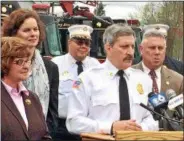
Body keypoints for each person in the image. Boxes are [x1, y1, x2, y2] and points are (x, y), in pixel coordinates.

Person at [66, 24, 158, 135]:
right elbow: (73, 122)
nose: (130, 52)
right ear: (108, 48)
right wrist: (110, 127)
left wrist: (140, 128)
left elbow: (150, 118)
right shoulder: (87, 79)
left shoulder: (143, 80)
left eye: (132, 47)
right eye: (124, 46)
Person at [1, 9, 59, 138]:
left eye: (35, 29)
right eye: (27, 30)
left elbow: (52, 113)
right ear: (13, 33)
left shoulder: (51, 67)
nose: (33, 34)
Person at [52, 24, 100, 140]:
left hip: (89, 126)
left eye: (87, 43)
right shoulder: (56, 64)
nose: (83, 46)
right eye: (79, 42)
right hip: (62, 128)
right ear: (69, 42)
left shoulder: (95, 66)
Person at [1, 37, 51, 140]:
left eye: (28, 61)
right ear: (4, 62)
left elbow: (44, 135)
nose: (26, 66)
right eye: (19, 62)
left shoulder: (32, 98)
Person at [133, 24, 183, 95]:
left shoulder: (178, 80)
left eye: (160, 48)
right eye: (152, 48)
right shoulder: (127, 75)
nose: (157, 52)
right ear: (141, 49)